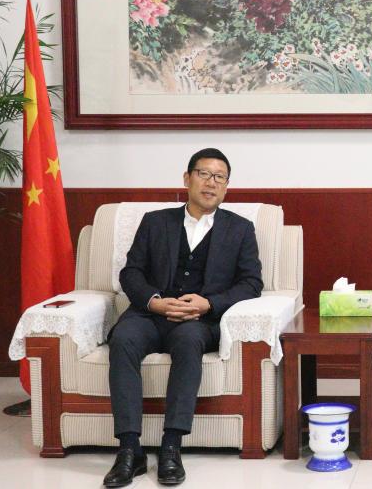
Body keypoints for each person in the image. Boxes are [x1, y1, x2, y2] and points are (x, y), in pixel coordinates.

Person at [103, 148, 263, 488]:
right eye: (204, 174)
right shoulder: (155, 221)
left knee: (189, 341)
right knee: (123, 338)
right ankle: (129, 450)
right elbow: (131, 273)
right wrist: (155, 302)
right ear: (187, 179)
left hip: (198, 321)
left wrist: (208, 304)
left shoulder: (240, 229)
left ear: (227, 186)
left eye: (220, 177)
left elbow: (252, 283)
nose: (211, 183)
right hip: (150, 313)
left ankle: (171, 446)